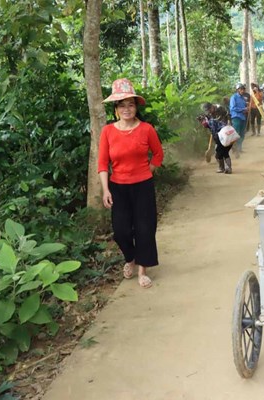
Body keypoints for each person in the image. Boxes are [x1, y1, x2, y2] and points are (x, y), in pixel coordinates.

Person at [98, 78, 164, 289]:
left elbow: (158, 154)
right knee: (121, 231)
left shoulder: (146, 129)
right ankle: (130, 258)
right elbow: (102, 163)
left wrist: (148, 171)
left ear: (136, 107)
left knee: (145, 228)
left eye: (131, 104)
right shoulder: (108, 131)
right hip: (118, 187)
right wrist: (105, 189)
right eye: (122, 105)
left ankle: (143, 269)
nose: (127, 109)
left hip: (143, 185)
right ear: (116, 109)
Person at [230, 83, 248, 156]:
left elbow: (244, 106)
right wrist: (243, 109)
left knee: (242, 134)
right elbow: (232, 108)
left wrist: (246, 108)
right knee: (236, 134)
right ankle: (235, 149)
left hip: (243, 117)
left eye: (243, 89)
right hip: (236, 117)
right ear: (237, 90)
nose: (242, 91)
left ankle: (239, 149)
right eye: (241, 89)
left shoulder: (242, 98)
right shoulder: (233, 97)